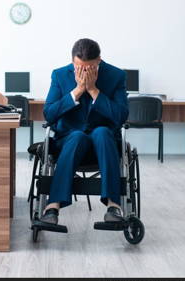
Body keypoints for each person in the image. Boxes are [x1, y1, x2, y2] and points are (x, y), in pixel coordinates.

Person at [41, 38, 129, 225]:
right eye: (79, 67)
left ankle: (114, 205)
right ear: (73, 62)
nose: (83, 72)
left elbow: (121, 116)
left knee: (103, 132)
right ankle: (52, 207)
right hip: (69, 141)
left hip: (104, 144)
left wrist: (94, 90)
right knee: (77, 136)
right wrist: (79, 90)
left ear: (99, 61)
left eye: (89, 68)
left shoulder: (116, 75)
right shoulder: (59, 75)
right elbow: (49, 114)